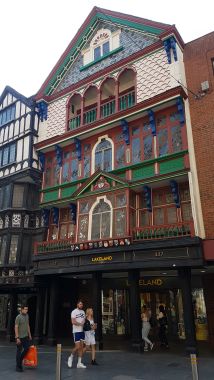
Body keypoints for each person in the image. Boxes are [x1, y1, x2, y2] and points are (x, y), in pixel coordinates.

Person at [67, 300, 87, 369]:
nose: (81, 305)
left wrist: (83, 323)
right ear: (77, 304)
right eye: (80, 304)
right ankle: (71, 357)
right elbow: (73, 321)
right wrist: (80, 324)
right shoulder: (74, 312)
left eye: (82, 304)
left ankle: (79, 363)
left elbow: (84, 320)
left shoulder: (83, 312)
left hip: (82, 331)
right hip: (76, 331)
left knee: (81, 347)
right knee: (77, 347)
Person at [14, 304, 32, 372]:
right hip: (19, 337)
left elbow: (28, 325)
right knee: (19, 351)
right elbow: (16, 327)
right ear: (21, 309)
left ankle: (20, 360)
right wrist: (17, 337)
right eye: (25, 309)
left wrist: (29, 335)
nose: (26, 311)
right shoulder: (18, 317)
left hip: (25, 336)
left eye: (27, 309)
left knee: (27, 348)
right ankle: (18, 366)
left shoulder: (27, 316)